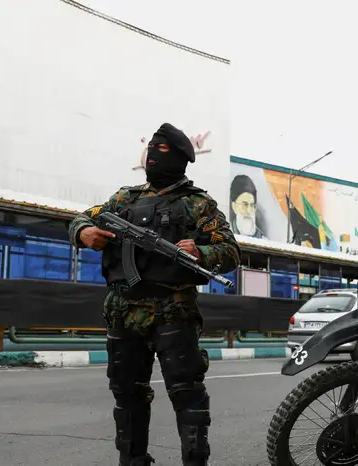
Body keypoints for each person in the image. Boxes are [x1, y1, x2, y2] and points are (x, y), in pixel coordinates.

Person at [68, 123, 241, 466]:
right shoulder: (123, 199)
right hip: (122, 309)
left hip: (172, 310)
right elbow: (80, 218)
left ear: (179, 159)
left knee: (187, 395)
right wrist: (84, 232)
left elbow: (230, 253)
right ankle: (132, 461)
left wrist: (202, 253)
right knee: (127, 394)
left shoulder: (198, 205)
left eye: (162, 152)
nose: (152, 157)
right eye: (151, 150)